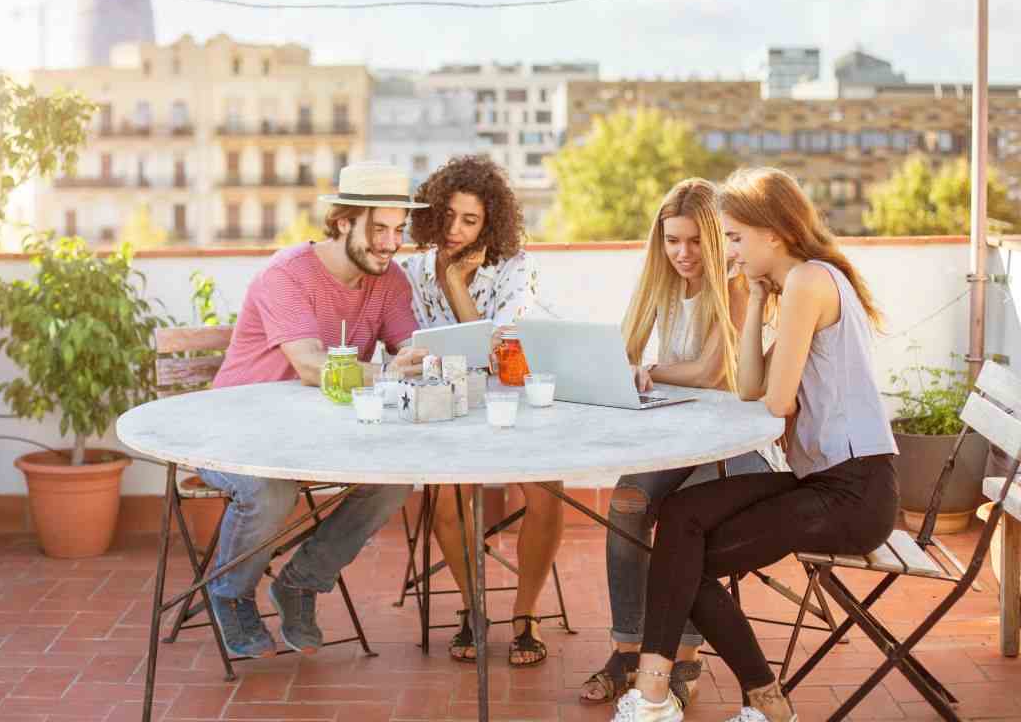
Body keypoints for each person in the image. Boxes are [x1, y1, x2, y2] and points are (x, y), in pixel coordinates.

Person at [613, 166, 899, 722]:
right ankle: (741, 703)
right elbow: (747, 386)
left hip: (855, 492)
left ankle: (667, 697)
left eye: (736, 237)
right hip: (823, 480)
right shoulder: (793, 285)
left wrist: (768, 294)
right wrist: (754, 294)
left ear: (773, 233)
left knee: (680, 564)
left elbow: (777, 402)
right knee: (682, 515)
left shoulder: (810, 284)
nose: (730, 251)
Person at [200, 162, 429, 659]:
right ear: (343, 221)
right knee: (270, 487)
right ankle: (228, 591)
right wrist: (393, 372)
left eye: (398, 230)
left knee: (395, 480)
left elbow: (408, 343)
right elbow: (309, 364)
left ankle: (301, 581)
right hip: (233, 432)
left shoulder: (387, 280)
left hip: (318, 437)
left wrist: (419, 354)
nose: (391, 244)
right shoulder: (287, 275)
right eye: (378, 229)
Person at [580, 178, 781, 708]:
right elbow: (619, 357)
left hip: (738, 447)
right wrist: (625, 369)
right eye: (672, 241)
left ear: (715, 241)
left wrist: (649, 370)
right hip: (681, 437)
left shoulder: (736, 286)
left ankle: (684, 658)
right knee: (627, 501)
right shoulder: (660, 284)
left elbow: (714, 370)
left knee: (679, 522)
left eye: (695, 241)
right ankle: (628, 650)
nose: (683, 253)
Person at [402, 155, 557, 667]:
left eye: (470, 220)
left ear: (490, 222)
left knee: (546, 492)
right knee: (445, 501)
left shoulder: (517, 268)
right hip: (454, 404)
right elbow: (421, 349)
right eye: (447, 216)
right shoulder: (414, 270)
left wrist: (456, 289)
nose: (455, 230)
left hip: (517, 396)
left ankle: (525, 612)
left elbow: (501, 355)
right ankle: (473, 608)